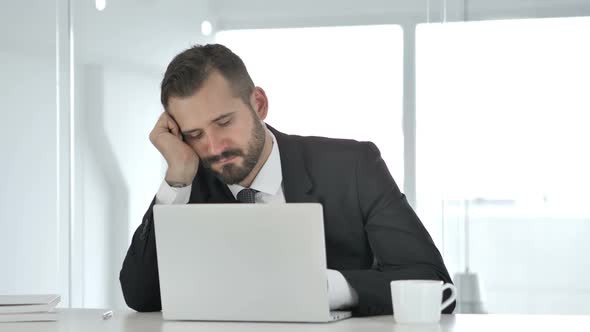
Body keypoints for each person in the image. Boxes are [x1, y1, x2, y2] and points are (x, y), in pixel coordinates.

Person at [119, 44, 455, 317]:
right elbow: (140, 295)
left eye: (223, 122)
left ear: (259, 104)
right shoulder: (190, 184)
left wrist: (323, 289)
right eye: (195, 134)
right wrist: (176, 180)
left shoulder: (351, 166)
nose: (213, 147)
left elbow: (435, 286)